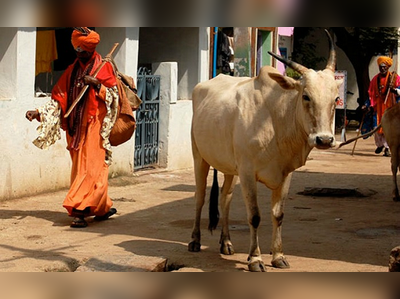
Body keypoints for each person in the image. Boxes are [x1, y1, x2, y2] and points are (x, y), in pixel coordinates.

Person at [26, 27, 119, 228]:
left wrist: (97, 85)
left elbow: (114, 97)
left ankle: (79, 210)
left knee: (91, 169)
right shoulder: (71, 70)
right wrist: (38, 113)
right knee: (86, 170)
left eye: (83, 51)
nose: (79, 54)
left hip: (95, 126)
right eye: (77, 50)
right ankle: (101, 207)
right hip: (75, 128)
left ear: (91, 50)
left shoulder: (103, 68)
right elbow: (59, 98)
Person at [364, 56, 400, 157]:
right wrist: (367, 104)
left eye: (384, 67)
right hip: (378, 107)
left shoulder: (395, 78)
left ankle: (387, 148)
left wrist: (394, 90)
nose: (382, 68)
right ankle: (380, 145)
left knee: (389, 128)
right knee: (377, 127)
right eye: (381, 67)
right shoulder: (375, 79)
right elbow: (371, 93)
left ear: (388, 67)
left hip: (390, 106)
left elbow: (399, 91)